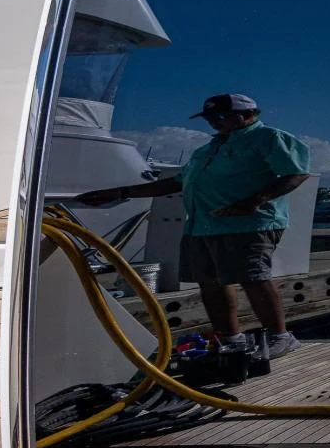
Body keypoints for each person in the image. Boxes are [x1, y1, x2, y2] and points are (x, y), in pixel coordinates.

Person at [81, 93, 311, 358]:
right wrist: (121, 192)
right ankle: (231, 339)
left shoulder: (269, 138)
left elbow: (296, 173)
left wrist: (254, 201)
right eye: (209, 118)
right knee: (210, 283)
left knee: (253, 278)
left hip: (249, 223)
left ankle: (281, 337)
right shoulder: (207, 149)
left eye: (220, 116)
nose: (213, 122)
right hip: (203, 225)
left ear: (247, 115)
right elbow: (177, 182)